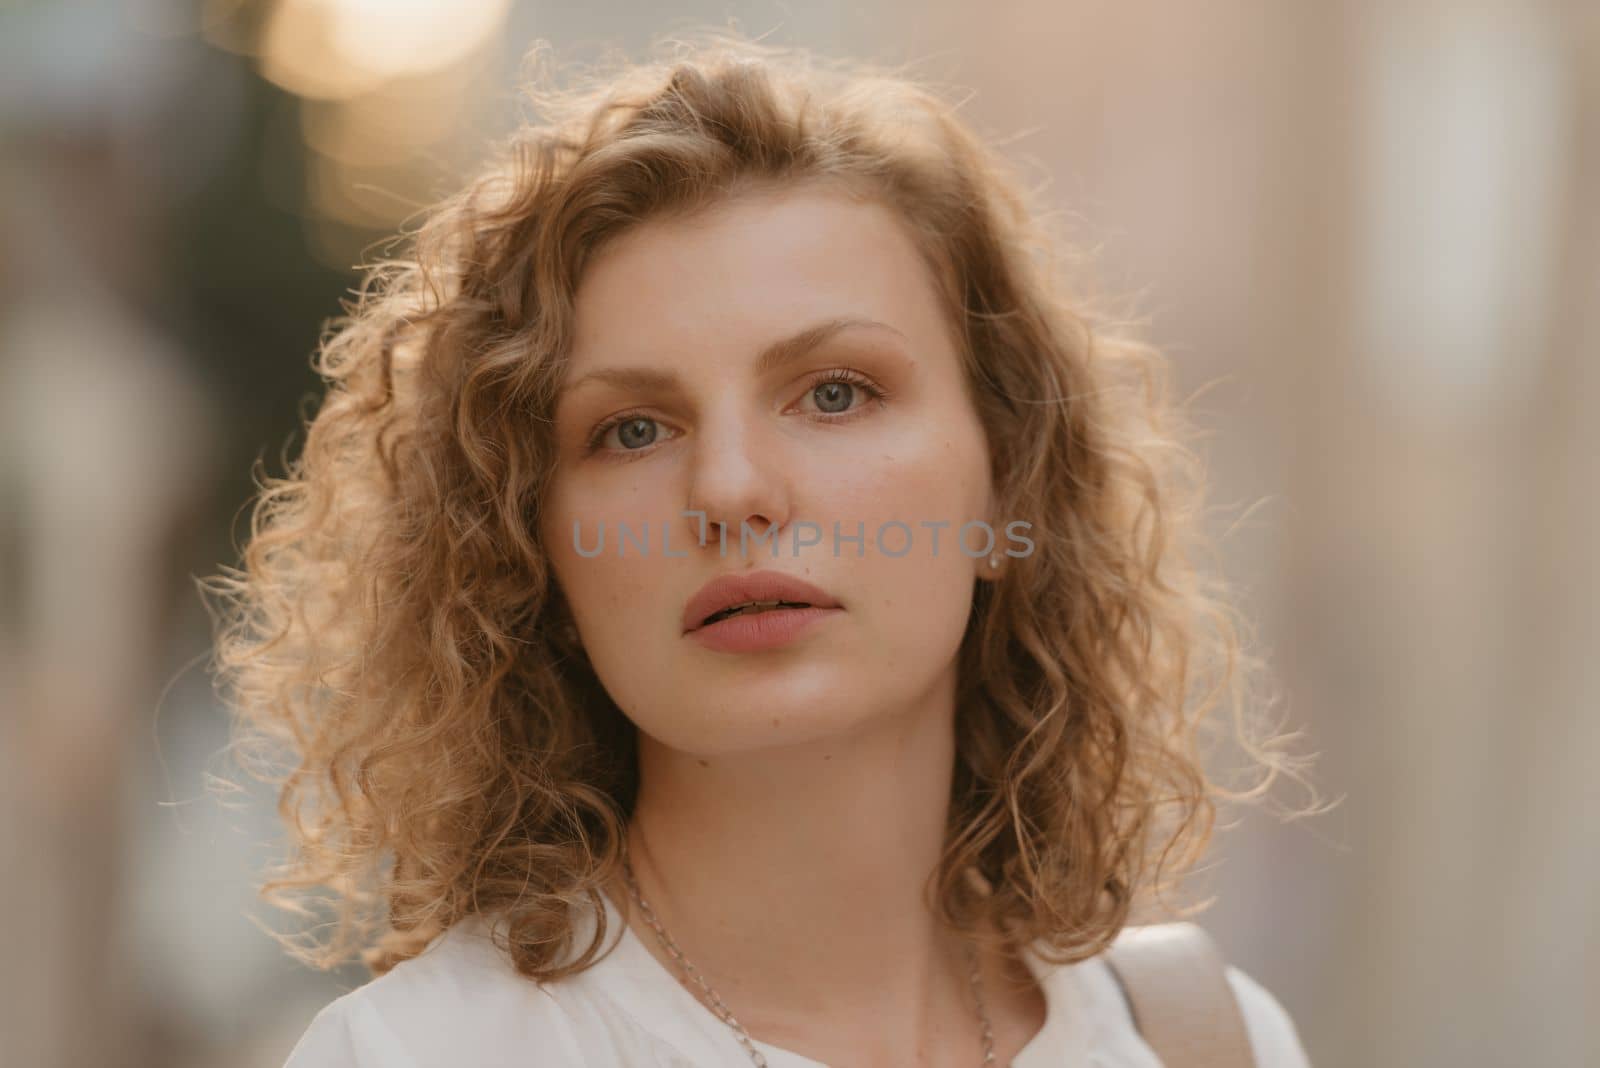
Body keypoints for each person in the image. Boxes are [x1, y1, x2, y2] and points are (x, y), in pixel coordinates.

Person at [209, 30, 1319, 1068]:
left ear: (1006, 484)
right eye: (630, 430)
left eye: (835, 393)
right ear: (529, 551)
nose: (731, 488)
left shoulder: (1205, 1042)